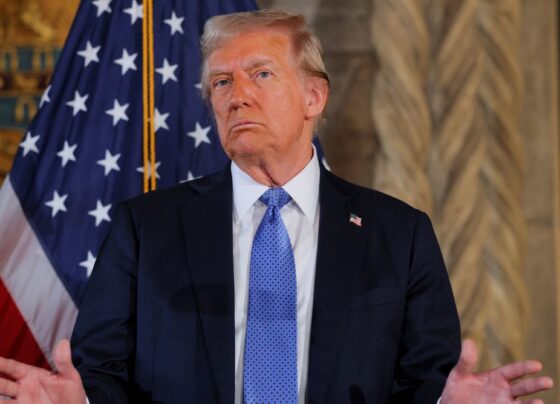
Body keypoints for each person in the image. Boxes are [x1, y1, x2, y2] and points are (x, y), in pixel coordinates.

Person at [0, 9, 553, 404]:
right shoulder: (144, 229)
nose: (237, 94)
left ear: (315, 97)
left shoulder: (399, 234)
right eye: (221, 82)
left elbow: (425, 379)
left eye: (261, 74)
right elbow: (102, 375)